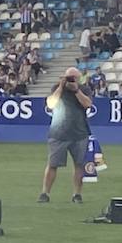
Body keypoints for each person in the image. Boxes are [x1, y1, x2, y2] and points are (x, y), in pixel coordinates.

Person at [39, 67, 93, 204]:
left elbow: (87, 104)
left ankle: (77, 194)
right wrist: (61, 87)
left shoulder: (84, 89)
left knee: (79, 165)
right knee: (52, 164)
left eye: (74, 78)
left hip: (79, 133)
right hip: (59, 133)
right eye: (69, 77)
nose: (72, 80)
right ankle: (45, 193)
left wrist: (76, 90)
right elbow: (51, 104)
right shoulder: (57, 88)